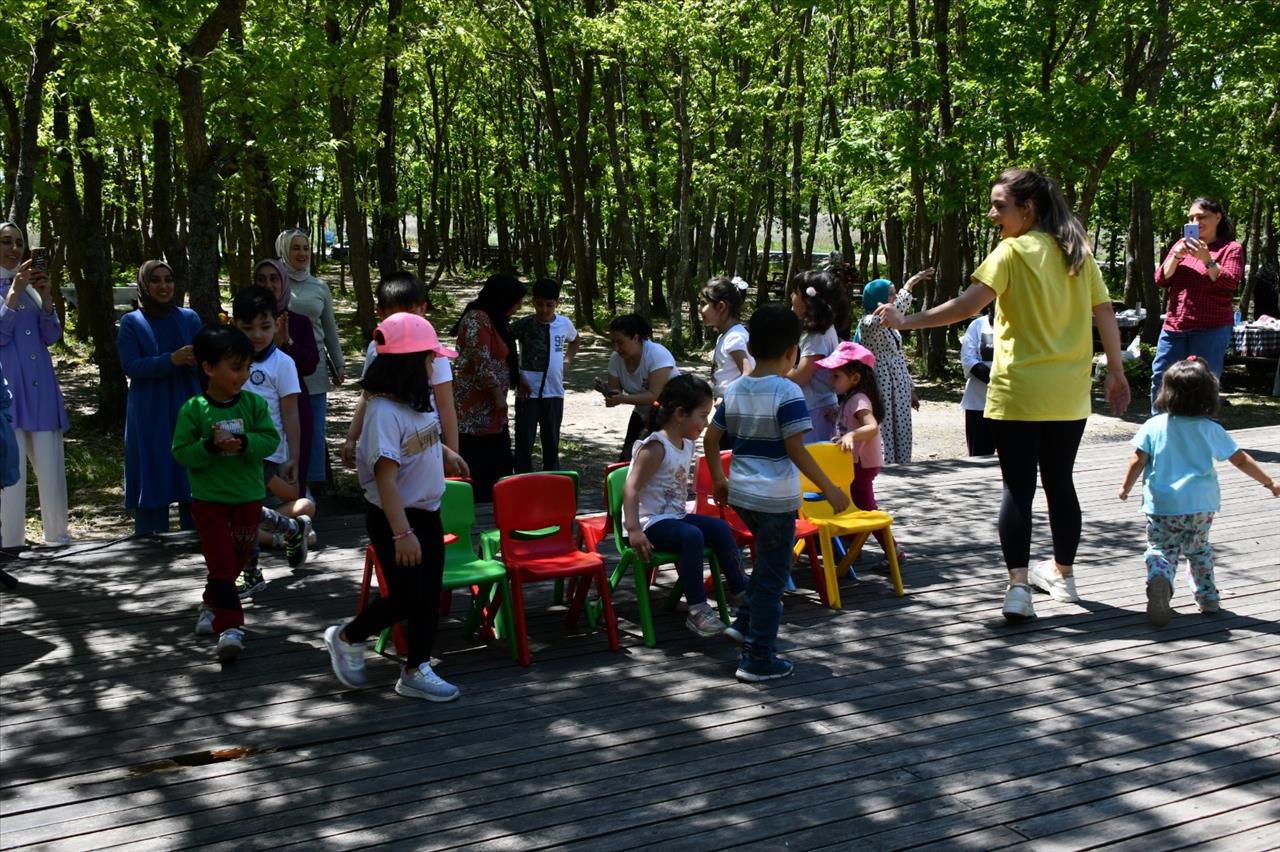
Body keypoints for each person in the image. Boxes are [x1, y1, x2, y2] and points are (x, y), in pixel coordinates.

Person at [875, 168, 1131, 621]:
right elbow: (1105, 312)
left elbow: (965, 307)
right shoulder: (1077, 254)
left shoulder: (1010, 252)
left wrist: (905, 320)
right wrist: (1115, 371)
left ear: (1027, 209)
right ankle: (1064, 578)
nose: (992, 214)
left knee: (1018, 488)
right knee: (1059, 483)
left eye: (1000, 205)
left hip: (1018, 393)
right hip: (1068, 394)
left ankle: (1018, 588)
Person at [323, 312, 470, 701]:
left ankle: (416, 668)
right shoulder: (384, 413)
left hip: (427, 512)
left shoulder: (414, 402)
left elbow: (421, 439)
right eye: (428, 360)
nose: (433, 366)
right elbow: (386, 479)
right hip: (398, 520)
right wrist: (402, 534)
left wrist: (445, 453)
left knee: (428, 593)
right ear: (408, 366)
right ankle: (347, 636)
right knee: (407, 596)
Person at [704, 305, 850, 682]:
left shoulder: (735, 389)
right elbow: (797, 449)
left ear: (750, 346)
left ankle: (744, 622)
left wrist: (719, 479)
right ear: (792, 353)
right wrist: (830, 488)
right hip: (774, 500)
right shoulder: (788, 392)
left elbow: (711, 437)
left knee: (767, 567)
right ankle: (758, 656)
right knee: (773, 576)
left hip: (742, 496)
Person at [1119, 357, 1279, 625]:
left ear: (1166, 392)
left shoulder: (1154, 426)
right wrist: (1270, 482)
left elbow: (1137, 459)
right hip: (1200, 505)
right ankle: (1208, 598)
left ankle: (1161, 578)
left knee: (1161, 548)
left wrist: (1125, 487)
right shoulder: (1210, 429)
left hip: (1163, 505)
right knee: (1198, 550)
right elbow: (1240, 459)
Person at [172, 326, 279, 662]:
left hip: (247, 498)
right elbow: (181, 451)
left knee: (234, 561)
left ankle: (210, 603)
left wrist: (247, 443)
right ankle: (230, 627)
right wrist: (210, 447)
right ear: (208, 368)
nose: (243, 375)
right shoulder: (194, 409)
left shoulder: (254, 404)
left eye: (247, 367)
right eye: (235, 368)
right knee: (220, 561)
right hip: (209, 501)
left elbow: (270, 440)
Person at [622, 374, 748, 638]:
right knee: (692, 535)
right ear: (680, 413)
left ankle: (742, 593)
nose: (705, 423)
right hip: (650, 522)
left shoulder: (687, 442)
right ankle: (698, 610)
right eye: (702, 416)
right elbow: (631, 487)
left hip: (674, 517)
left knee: (720, 529)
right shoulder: (656, 447)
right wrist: (634, 530)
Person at [230, 286, 313, 597]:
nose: (257, 335)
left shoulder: (283, 364)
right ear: (234, 325)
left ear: (278, 323)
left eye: (265, 327)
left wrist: (292, 455)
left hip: (266, 450)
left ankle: (250, 571)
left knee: (243, 509)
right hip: (231, 449)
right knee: (244, 509)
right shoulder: (232, 360)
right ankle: (292, 529)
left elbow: (291, 413)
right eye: (247, 328)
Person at [117, 261, 204, 535]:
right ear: (144, 285)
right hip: (149, 411)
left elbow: (208, 362)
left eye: (169, 279)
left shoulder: (190, 318)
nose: (164, 286)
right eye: (156, 280)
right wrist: (171, 360)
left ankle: (200, 545)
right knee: (152, 475)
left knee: (192, 479)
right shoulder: (132, 322)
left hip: (187, 405)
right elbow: (131, 366)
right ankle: (150, 548)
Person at [342, 272, 459, 470]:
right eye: (396, 317)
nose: (405, 323)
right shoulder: (377, 347)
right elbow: (368, 392)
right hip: (387, 437)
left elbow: (447, 407)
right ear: (380, 312)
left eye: (411, 314)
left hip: (427, 439)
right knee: (390, 484)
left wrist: (452, 455)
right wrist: (352, 436)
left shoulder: (433, 352)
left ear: (423, 309)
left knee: (422, 494)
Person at [0, 222, 69, 548]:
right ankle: (10, 543)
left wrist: (45, 297)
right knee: (10, 473)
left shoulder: (30, 288)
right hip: (8, 395)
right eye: (5, 241)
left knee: (51, 469)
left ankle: (58, 539)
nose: (13, 248)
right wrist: (12, 295)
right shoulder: (14, 289)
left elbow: (52, 336)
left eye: (18, 242)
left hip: (41, 393)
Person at [1150, 197, 1244, 413]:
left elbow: (1229, 283)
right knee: (1161, 376)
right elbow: (1161, 279)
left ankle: (1201, 434)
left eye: (1202, 217)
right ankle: (1159, 432)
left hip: (1211, 328)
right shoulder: (1180, 245)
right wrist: (1175, 257)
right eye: (1191, 217)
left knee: (1205, 382)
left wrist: (1206, 258)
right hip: (1175, 325)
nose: (1195, 221)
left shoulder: (1231, 248)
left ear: (1218, 217)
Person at [817, 340, 901, 564]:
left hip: (861, 465)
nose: (830, 380)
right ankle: (852, 548)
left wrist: (851, 436)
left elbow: (871, 426)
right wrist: (834, 415)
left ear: (854, 378)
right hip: (852, 464)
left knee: (867, 509)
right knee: (854, 504)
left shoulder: (859, 399)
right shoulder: (849, 399)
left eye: (836, 376)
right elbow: (848, 421)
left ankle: (894, 552)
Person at [276, 228, 344, 493]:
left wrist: (337, 363)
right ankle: (282, 490)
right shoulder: (276, 283)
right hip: (280, 369)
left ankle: (313, 491)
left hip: (313, 371)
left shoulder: (319, 286)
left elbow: (329, 328)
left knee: (313, 435)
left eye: (305, 247)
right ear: (283, 250)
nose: (302, 253)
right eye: (295, 248)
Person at [451, 274, 525, 501]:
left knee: (498, 457)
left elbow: (504, 355)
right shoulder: (477, 319)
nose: (519, 306)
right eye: (516, 301)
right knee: (478, 457)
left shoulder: (495, 317)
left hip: (492, 410)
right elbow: (480, 361)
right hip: (475, 407)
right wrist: (497, 395)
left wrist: (517, 378)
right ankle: (478, 502)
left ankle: (498, 499)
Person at [253, 258, 319, 492]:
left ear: (283, 282)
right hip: (258, 412)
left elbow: (310, 364)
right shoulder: (246, 325)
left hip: (295, 406)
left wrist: (287, 342)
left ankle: (298, 523)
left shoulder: (299, 322)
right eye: (261, 279)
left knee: (294, 477)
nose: (268, 285)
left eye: (274, 279)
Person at [857, 269, 933, 464]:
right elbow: (891, 315)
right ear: (877, 298)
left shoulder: (892, 328)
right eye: (891, 293)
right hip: (881, 382)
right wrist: (910, 285)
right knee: (885, 425)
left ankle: (903, 464)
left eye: (894, 293)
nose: (893, 297)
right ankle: (884, 465)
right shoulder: (867, 323)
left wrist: (911, 389)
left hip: (898, 382)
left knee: (902, 425)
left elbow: (898, 356)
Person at [511, 278, 579, 472]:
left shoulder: (564, 324)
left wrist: (567, 360)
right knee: (524, 439)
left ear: (557, 303)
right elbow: (505, 346)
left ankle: (553, 478)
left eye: (549, 305)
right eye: (539, 304)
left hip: (554, 392)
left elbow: (575, 340)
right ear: (533, 302)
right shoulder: (524, 324)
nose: (544, 309)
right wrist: (516, 375)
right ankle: (523, 479)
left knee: (551, 440)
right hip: (527, 392)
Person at [603, 313, 681, 461]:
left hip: (670, 411)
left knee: (658, 457)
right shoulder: (616, 359)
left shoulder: (656, 354)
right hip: (642, 410)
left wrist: (622, 399)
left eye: (620, 342)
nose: (616, 348)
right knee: (628, 455)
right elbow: (616, 393)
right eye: (612, 342)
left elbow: (656, 396)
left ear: (636, 338)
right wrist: (605, 390)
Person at [786, 270, 847, 443]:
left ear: (807, 302)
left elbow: (801, 377)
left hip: (816, 412)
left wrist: (776, 369)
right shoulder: (824, 331)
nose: (791, 296)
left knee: (811, 463)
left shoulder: (816, 337)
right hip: (820, 408)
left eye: (795, 293)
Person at [699, 275, 754, 399]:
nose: (700, 310)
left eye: (703, 304)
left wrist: (727, 399)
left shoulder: (734, 338)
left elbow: (748, 374)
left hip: (729, 406)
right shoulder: (727, 335)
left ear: (721, 307)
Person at [959, 305, 996, 457]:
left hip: (1013, 405)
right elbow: (968, 360)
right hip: (979, 404)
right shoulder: (978, 325)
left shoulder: (1021, 325)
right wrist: (997, 381)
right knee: (980, 458)